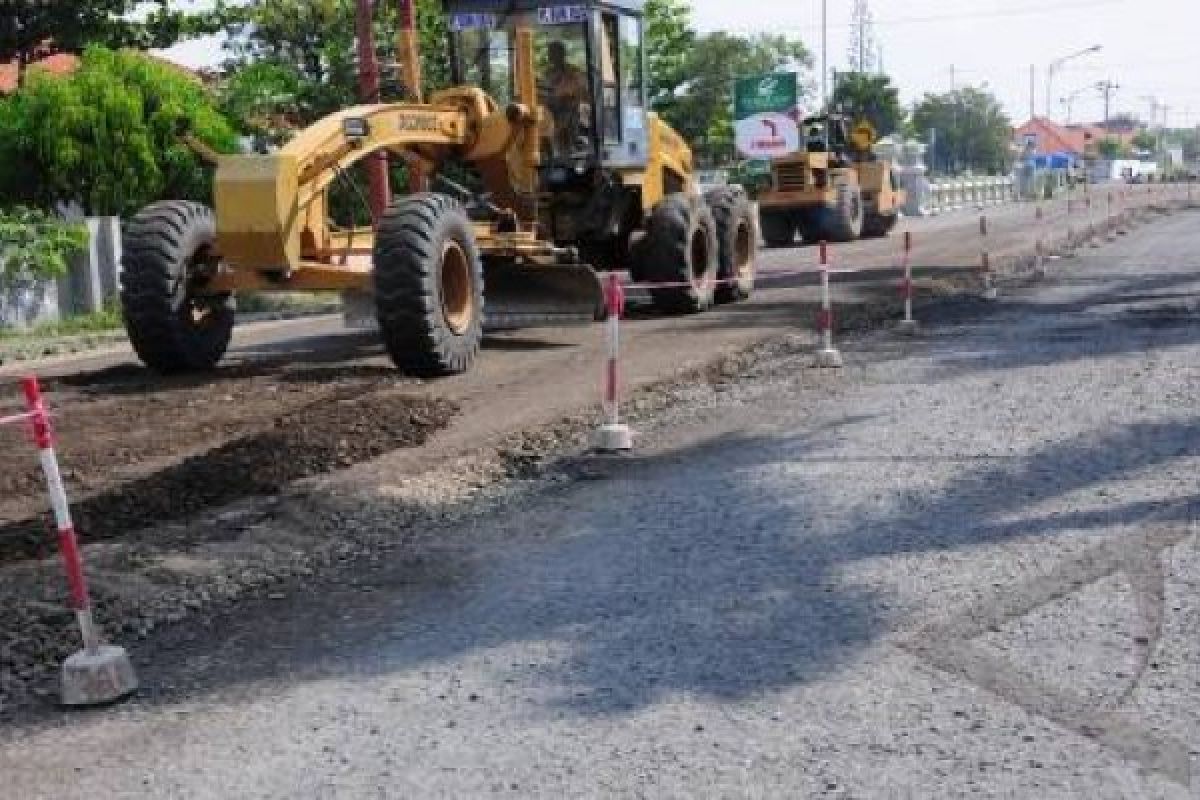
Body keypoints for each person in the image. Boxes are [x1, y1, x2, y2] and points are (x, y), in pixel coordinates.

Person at [543, 40, 588, 158]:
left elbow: (579, 89)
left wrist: (562, 92)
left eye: (553, 52)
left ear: (562, 54)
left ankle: (570, 147)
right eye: (550, 53)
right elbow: (545, 90)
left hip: (568, 111)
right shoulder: (548, 73)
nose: (550, 56)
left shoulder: (574, 71)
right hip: (549, 112)